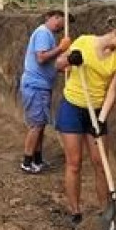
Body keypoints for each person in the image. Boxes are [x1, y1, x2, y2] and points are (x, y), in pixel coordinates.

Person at [54, 14, 116, 226]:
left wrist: (102, 120)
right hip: (72, 107)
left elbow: (112, 92)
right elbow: (58, 65)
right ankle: (75, 212)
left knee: (100, 163)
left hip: (96, 112)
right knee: (74, 163)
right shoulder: (84, 42)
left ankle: (106, 213)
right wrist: (70, 59)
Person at [19, 10, 71, 173]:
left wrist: (62, 67)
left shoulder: (46, 34)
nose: (62, 28)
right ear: (56, 18)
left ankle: (37, 160)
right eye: (63, 23)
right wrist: (61, 48)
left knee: (40, 124)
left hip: (40, 86)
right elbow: (41, 58)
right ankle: (27, 162)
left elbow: (49, 64)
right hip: (36, 86)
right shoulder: (43, 33)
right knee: (36, 125)